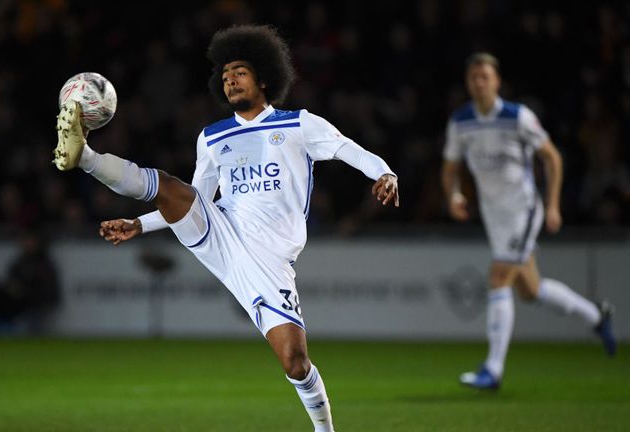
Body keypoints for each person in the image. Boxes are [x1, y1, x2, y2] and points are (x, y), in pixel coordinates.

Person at [53, 24, 399, 431]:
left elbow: (347, 148)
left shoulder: (298, 125)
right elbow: (195, 199)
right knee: (171, 186)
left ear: (264, 78)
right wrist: (140, 225)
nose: (230, 79)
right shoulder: (213, 137)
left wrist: (385, 172)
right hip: (223, 235)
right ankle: (86, 156)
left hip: (270, 259)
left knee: (295, 361)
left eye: (240, 71)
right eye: (225, 74)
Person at [441, 52, 617, 390]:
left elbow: (552, 157)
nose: (479, 82)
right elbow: (450, 167)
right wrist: (453, 196)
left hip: (523, 210)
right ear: (468, 82)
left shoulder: (518, 117)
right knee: (530, 290)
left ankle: (493, 370)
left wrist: (552, 205)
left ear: (497, 81)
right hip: (495, 217)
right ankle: (596, 316)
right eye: (473, 77)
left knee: (498, 276)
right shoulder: (460, 121)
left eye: (485, 77)